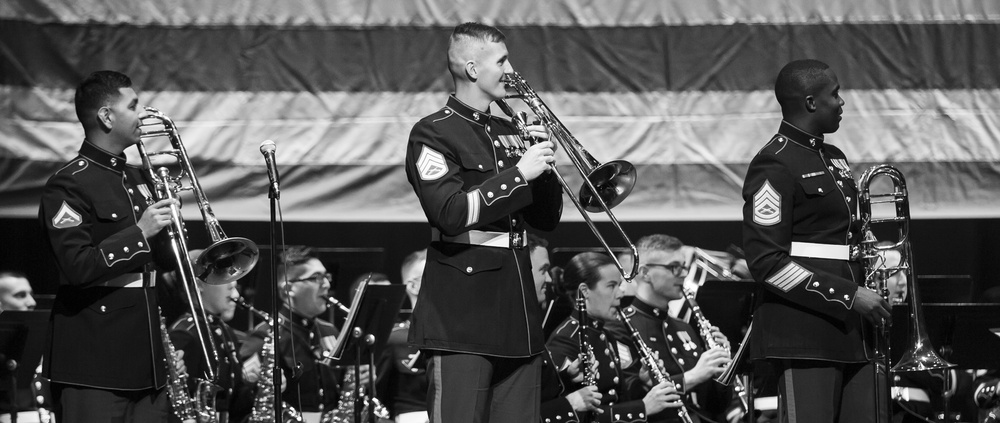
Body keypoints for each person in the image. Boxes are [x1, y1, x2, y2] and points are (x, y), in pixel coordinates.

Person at [403, 22, 563, 422]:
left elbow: (545, 220)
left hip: (518, 312)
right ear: (473, 69)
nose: (512, 69)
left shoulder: (511, 130)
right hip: (463, 316)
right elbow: (450, 214)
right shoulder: (433, 132)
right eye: (502, 60)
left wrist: (544, 166)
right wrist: (519, 175)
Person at [740, 59, 892, 423]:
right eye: (835, 94)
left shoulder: (833, 157)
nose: (842, 102)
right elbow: (766, 263)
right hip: (805, 331)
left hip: (856, 331)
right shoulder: (773, 164)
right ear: (811, 102)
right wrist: (849, 295)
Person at [37, 70, 180, 422]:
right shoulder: (68, 184)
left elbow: (162, 262)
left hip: (146, 359)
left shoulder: (136, 177)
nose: (142, 113)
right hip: (93, 364)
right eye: (133, 105)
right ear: (105, 116)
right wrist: (140, 231)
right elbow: (77, 266)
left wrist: (173, 225)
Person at [608, 234, 734, 423]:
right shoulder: (620, 326)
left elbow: (715, 406)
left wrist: (722, 371)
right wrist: (693, 376)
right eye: (674, 267)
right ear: (645, 273)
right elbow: (632, 400)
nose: (684, 274)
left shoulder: (683, 328)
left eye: (684, 267)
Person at [546, 252, 682, 422]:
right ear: (584, 291)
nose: (620, 294)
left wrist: (643, 384)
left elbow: (616, 398)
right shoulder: (565, 339)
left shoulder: (604, 334)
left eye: (619, 285)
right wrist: (643, 408)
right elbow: (576, 415)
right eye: (611, 286)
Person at [241, 246, 340, 422]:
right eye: (317, 277)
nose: (326, 284)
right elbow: (244, 399)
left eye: (326, 276)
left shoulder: (330, 331)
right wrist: (249, 383)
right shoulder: (265, 335)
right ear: (288, 289)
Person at [167, 249, 255, 423]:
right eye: (224, 279)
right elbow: (175, 402)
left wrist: (259, 385)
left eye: (235, 285)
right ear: (198, 284)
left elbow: (235, 401)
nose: (236, 295)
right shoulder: (184, 333)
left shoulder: (224, 331)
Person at [377, 249, 430, 423]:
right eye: (435, 278)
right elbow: (379, 397)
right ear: (413, 286)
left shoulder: (459, 337)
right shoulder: (392, 339)